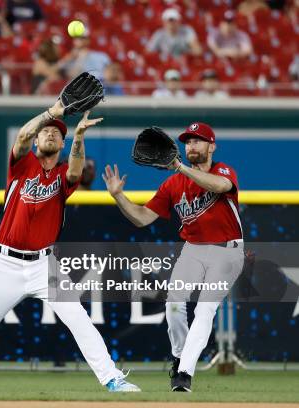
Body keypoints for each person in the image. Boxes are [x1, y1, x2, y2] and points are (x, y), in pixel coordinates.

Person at [0, 97, 140, 393]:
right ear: (38, 136)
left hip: (44, 265)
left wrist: (78, 137)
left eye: (58, 132)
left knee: (80, 320)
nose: (51, 133)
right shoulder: (21, 165)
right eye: (46, 131)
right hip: (5, 263)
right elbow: (21, 137)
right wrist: (52, 113)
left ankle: (112, 378)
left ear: (63, 144)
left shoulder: (63, 173)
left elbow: (76, 172)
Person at [102, 122, 244, 392]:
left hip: (227, 252)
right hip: (192, 249)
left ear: (211, 146)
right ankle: (180, 356)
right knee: (175, 305)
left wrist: (180, 167)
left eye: (197, 141)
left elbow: (220, 185)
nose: (191, 145)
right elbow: (142, 218)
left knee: (205, 310)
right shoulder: (172, 184)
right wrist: (119, 196)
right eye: (187, 141)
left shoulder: (222, 170)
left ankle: (184, 374)